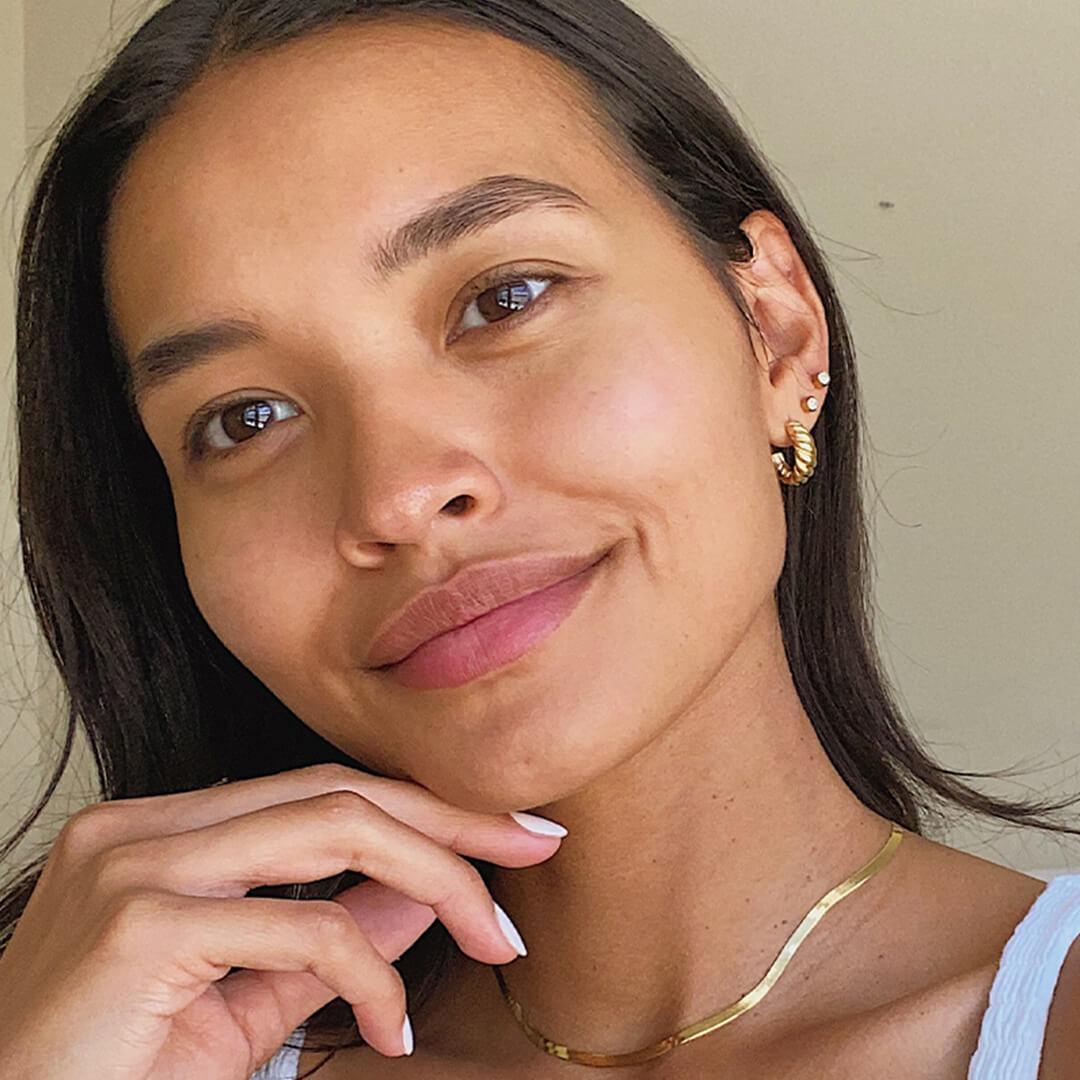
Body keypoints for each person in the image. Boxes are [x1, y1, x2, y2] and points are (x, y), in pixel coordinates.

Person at [2, 2, 1079, 1078]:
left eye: (503, 299)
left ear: (777, 335)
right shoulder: (117, 1050)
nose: (398, 495)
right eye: (246, 418)